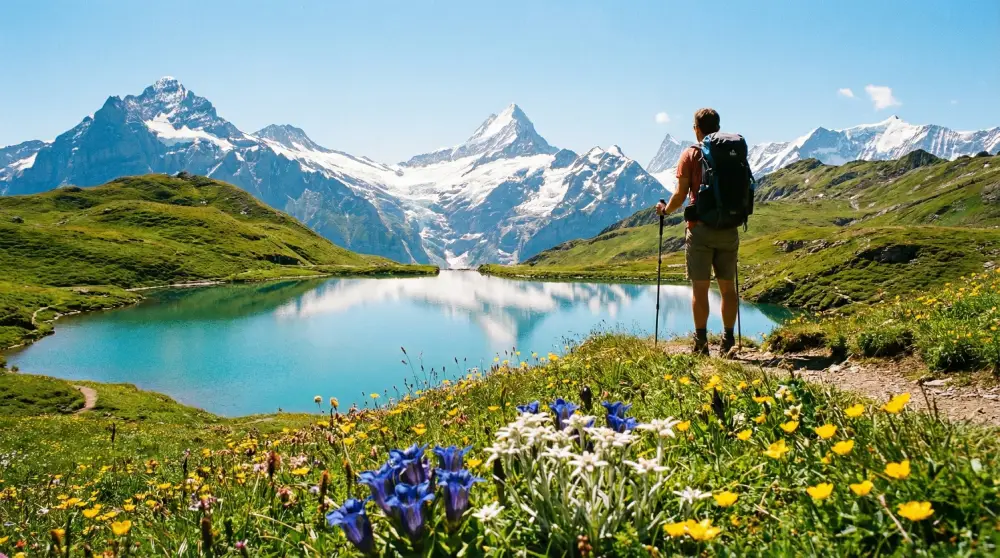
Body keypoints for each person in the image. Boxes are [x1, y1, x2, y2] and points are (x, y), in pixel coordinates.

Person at [655, 108, 739, 356]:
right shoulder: (733, 153)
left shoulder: (690, 155)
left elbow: (680, 195)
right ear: (719, 126)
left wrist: (665, 211)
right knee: (728, 288)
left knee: (700, 290)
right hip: (729, 228)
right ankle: (728, 340)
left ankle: (701, 343)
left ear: (696, 129)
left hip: (700, 229)